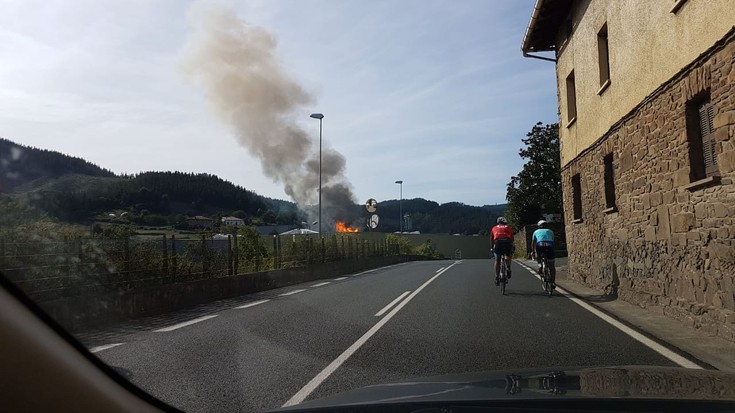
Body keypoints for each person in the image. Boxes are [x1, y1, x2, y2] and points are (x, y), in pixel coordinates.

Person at [532, 220, 556, 287]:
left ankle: (539, 264)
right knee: (551, 265)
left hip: (540, 244)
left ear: (539, 226)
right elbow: (553, 241)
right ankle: (553, 282)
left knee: (537, 253)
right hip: (549, 245)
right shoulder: (550, 231)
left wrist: (534, 251)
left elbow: (533, 243)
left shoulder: (536, 232)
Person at [490, 217, 514, 286]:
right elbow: (512, 238)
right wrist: (512, 246)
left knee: (497, 260)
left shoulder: (494, 228)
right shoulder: (509, 227)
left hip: (498, 243)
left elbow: (491, 238)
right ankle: (508, 268)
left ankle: (497, 277)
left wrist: (492, 247)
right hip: (507, 242)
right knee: (507, 255)